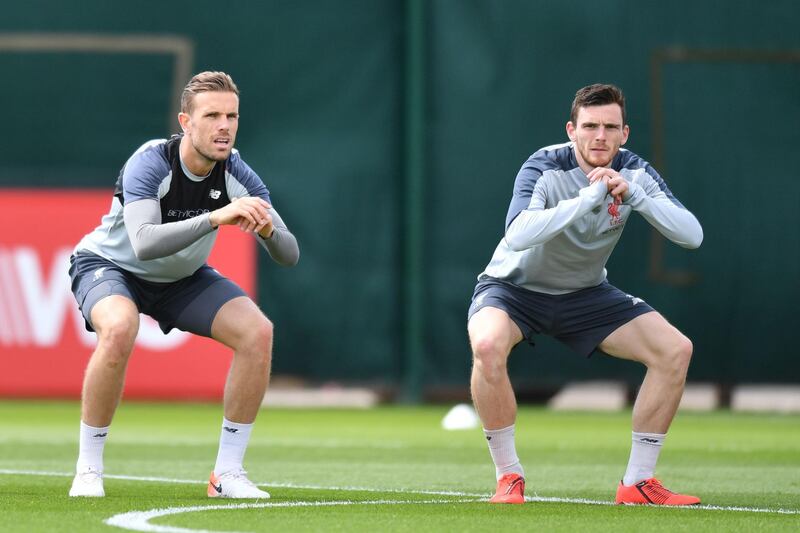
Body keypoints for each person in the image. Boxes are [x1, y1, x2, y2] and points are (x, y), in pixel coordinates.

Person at [467, 84, 703, 505]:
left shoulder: (633, 171)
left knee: (675, 350)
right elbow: (518, 234)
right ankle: (509, 477)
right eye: (590, 126)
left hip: (584, 295)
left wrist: (635, 196)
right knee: (486, 345)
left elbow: (692, 236)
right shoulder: (543, 164)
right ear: (572, 130)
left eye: (610, 127)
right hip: (513, 289)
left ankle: (637, 484)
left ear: (625, 133)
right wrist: (588, 198)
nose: (600, 136)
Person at [67, 71, 299, 499]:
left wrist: (266, 230)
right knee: (119, 329)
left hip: (180, 279)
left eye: (232, 116)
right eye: (212, 115)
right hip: (111, 266)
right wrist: (216, 217)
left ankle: (226, 475)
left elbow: (289, 253)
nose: (224, 126)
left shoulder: (236, 172)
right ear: (185, 122)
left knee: (258, 333)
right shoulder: (151, 161)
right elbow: (143, 243)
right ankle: (88, 469)